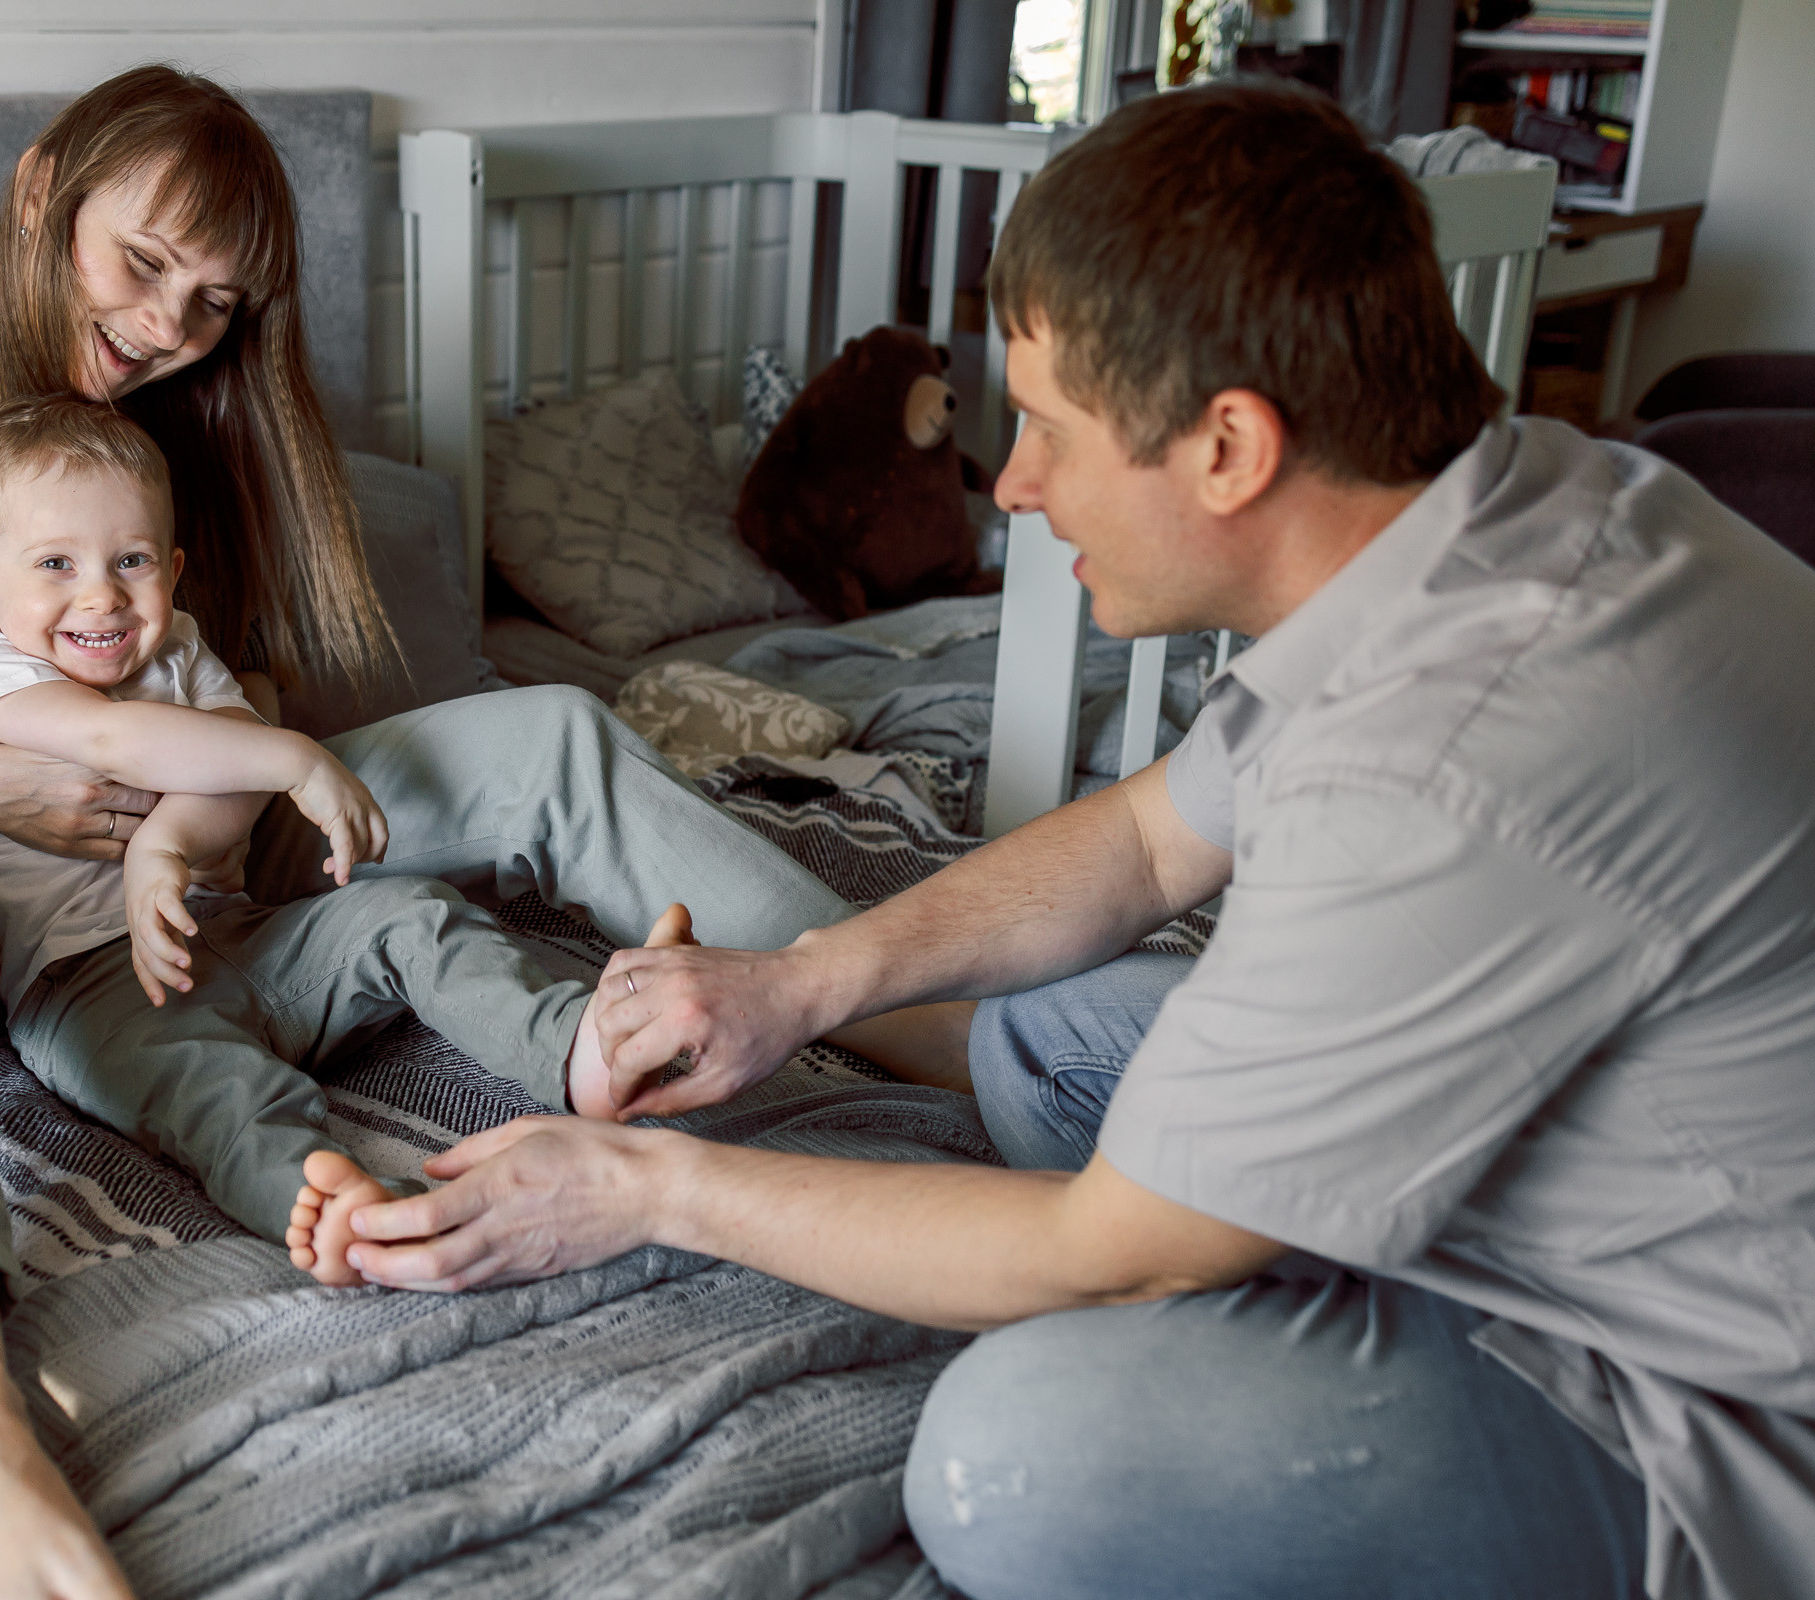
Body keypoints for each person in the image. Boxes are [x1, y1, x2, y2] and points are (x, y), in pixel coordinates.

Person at [341, 84, 1815, 1600]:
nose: (1014, 484)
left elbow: (1115, 1252)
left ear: (1230, 448)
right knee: (1048, 1034)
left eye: (1047, 426)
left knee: (1021, 1460)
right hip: (1565, 1158)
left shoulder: (1458, 752)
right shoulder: (1520, 506)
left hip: (1700, 1400)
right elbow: (1142, 848)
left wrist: (648, 1190)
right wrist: (804, 983)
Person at [0, 65, 953, 1600]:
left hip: (167, 866)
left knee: (550, 730)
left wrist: (201, 818)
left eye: (218, 303)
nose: (173, 328)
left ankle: (930, 1009)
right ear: (44, 190)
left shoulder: (153, 428)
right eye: (146, 264)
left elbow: (228, 704)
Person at [0, 394, 659, 1280]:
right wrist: (292, 756)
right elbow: (108, 739)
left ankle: (577, 1049)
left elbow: (229, 785)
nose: (102, 596)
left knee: (409, 916)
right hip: (94, 988)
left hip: (247, 935)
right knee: (215, 1094)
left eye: (132, 561)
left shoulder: (182, 654)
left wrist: (170, 843)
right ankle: (333, 1204)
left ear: (174, 567)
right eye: (55, 563)